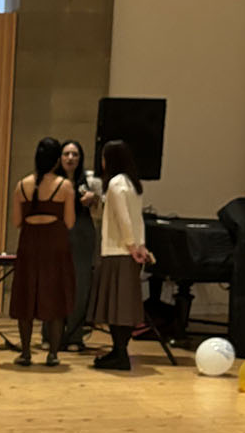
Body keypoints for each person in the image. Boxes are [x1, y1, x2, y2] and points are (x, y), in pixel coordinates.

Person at [8, 137, 76, 366]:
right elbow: (69, 221)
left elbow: (17, 221)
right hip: (55, 245)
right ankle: (53, 354)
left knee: (26, 295)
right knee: (55, 296)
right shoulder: (64, 186)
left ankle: (26, 352)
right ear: (57, 160)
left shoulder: (21, 185)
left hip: (29, 244)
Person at [88, 139, 148, 371]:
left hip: (117, 251)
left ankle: (120, 353)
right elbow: (137, 219)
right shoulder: (133, 184)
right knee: (124, 305)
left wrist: (131, 245)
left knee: (116, 306)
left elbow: (124, 219)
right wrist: (140, 246)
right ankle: (118, 351)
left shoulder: (114, 184)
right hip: (130, 252)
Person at [41, 140, 99, 352]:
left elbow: (102, 212)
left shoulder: (91, 180)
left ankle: (75, 336)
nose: (70, 158)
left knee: (80, 286)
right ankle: (49, 335)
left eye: (75, 154)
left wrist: (94, 200)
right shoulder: (51, 180)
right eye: (66, 154)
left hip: (82, 235)